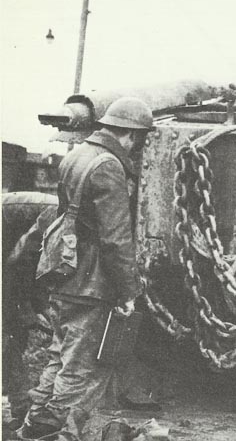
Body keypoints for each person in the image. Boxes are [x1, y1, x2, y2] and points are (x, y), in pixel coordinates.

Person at [18, 97, 154, 440]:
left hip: (65, 269)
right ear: (132, 136)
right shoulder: (109, 166)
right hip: (92, 279)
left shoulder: (77, 154)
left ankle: (37, 425)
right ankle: (65, 432)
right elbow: (115, 239)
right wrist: (128, 292)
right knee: (83, 364)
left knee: (60, 354)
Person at [2, 193, 58, 432]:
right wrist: (32, 311)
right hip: (9, 250)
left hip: (11, 253)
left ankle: (20, 406)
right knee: (8, 335)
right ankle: (21, 406)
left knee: (15, 334)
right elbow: (21, 258)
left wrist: (40, 310)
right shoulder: (61, 213)